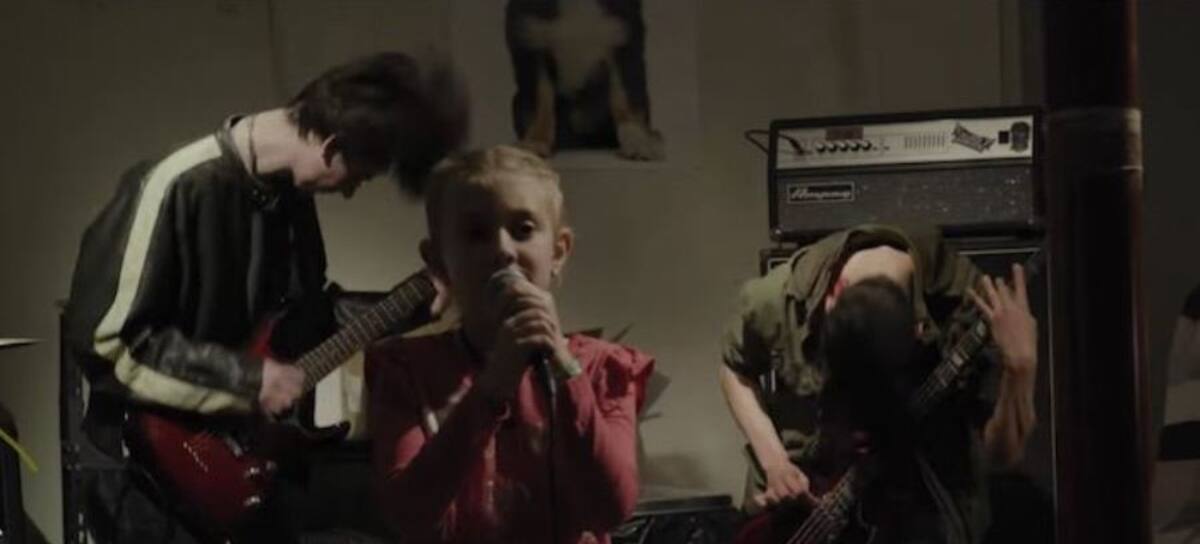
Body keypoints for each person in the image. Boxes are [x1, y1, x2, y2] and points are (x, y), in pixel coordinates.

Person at [62, 51, 469, 543]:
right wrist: (251, 380)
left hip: (237, 474)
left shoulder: (289, 201)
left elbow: (306, 321)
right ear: (332, 147)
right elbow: (107, 340)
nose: (349, 192)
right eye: (359, 176)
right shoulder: (173, 184)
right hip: (146, 483)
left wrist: (414, 302)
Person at [366, 145, 653, 544]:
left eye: (523, 229)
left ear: (559, 252)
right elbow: (409, 513)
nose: (503, 249)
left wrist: (564, 369)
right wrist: (493, 386)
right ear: (438, 261)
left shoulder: (603, 368)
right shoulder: (406, 369)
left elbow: (610, 509)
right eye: (476, 234)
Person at [719, 224, 1038, 543]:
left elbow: (1001, 456)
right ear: (834, 295)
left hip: (915, 507)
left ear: (917, 329)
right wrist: (775, 462)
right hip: (797, 514)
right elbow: (734, 367)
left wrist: (1020, 370)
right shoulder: (777, 297)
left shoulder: (966, 305)